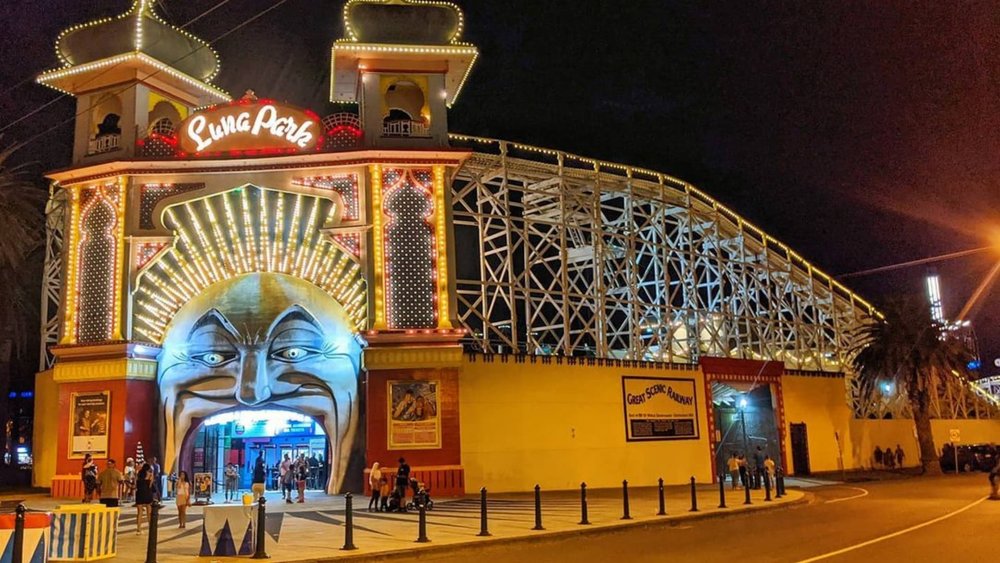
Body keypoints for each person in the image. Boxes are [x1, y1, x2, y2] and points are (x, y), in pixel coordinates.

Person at [135, 463, 154, 536]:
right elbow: (150, 485)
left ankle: (138, 529)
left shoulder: (138, 474)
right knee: (149, 512)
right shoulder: (150, 474)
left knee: (139, 512)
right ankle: (150, 527)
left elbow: (136, 484)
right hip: (147, 493)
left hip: (139, 493)